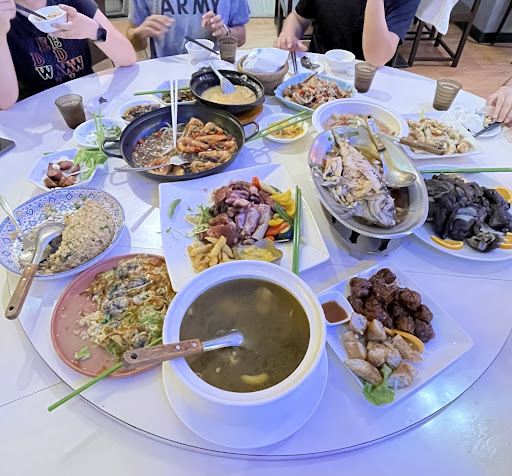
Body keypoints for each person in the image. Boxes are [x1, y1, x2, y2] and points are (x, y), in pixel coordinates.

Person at [0, 0, 136, 110]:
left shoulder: (71, 3)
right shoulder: (3, 15)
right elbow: (5, 101)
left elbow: (128, 58)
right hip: (35, 112)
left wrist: (94, 30)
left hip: (87, 100)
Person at [274, 0, 421, 67]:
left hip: (366, 82)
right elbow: (299, 17)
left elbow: (376, 58)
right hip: (318, 70)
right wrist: (288, 34)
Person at [127, 0, 250, 58]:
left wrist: (225, 33)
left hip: (214, 69)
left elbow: (241, 38)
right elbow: (135, 45)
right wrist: (139, 34)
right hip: (166, 73)